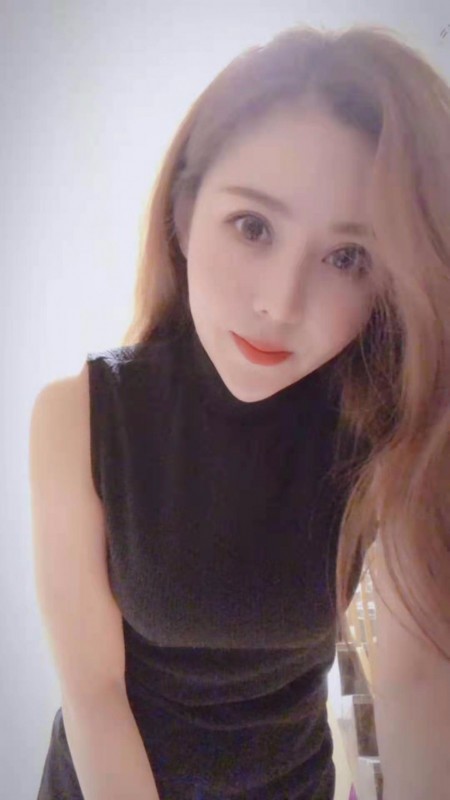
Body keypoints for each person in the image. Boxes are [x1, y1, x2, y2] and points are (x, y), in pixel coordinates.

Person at [29, 21, 450, 800]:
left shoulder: (385, 428)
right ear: (185, 212)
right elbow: (94, 693)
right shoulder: (79, 417)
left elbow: (416, 675)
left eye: (347, 257)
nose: (280, 304)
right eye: (253, 226)